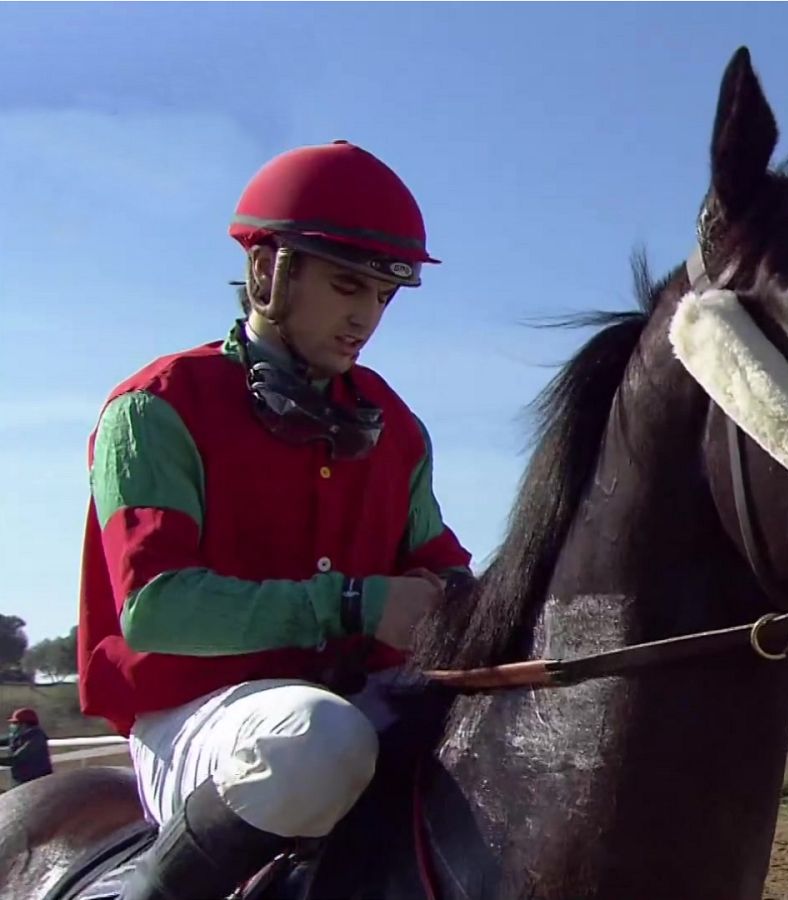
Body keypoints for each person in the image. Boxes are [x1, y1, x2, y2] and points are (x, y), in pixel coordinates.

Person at [74, 140, 474, 900]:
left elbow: (438, 564)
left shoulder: (396, 425)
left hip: (363, 704)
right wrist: (353, 603)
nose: (365, 319)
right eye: (347, 285)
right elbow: (155, 611)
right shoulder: (155, 408)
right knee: (317, 741)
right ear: (266, 271)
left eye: (385, 296)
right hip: (201, 720)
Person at [0, 707, 53, 788]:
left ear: (24, 724)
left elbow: (16, 760)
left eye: (14, 723)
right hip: (22, 783)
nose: (11, 726)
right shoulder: (19, 736)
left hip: (37, 785)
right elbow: (4, 741)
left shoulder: (36, 738)